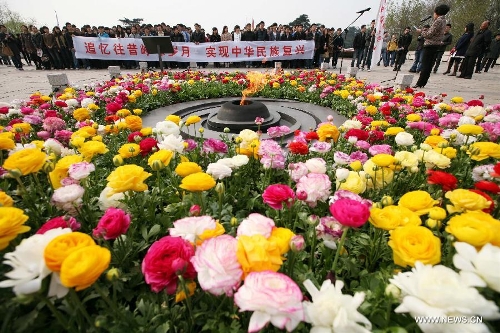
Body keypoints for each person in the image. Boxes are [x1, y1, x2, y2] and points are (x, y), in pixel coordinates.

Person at [413, 4, 450, 88]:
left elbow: (429, 35)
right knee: (429, 65)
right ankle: (422, 82)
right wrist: (426, 29)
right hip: (436, 45)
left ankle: (420, 83)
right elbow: (435, 32)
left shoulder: (438, 21)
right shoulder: (444, 20)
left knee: (425, 65)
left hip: (430, 45)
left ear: (437, 12)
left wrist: (421, 32)